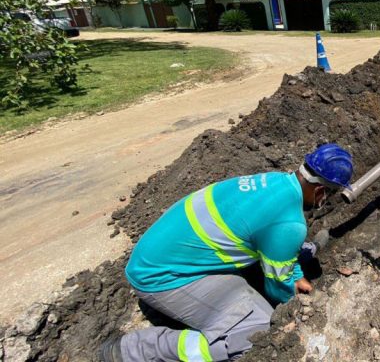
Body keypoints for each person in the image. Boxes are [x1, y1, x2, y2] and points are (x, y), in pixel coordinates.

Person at [98, 144, 354, 362]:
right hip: (162, 278)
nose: (324, 203)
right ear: (320, 191)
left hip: (157, 255)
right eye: (327, 197)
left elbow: (275, 246)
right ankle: (137, 349)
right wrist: (295, 306)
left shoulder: (275, 182)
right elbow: (278, 288)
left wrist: (295, 272)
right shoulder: (289, 224)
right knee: (259, 333)